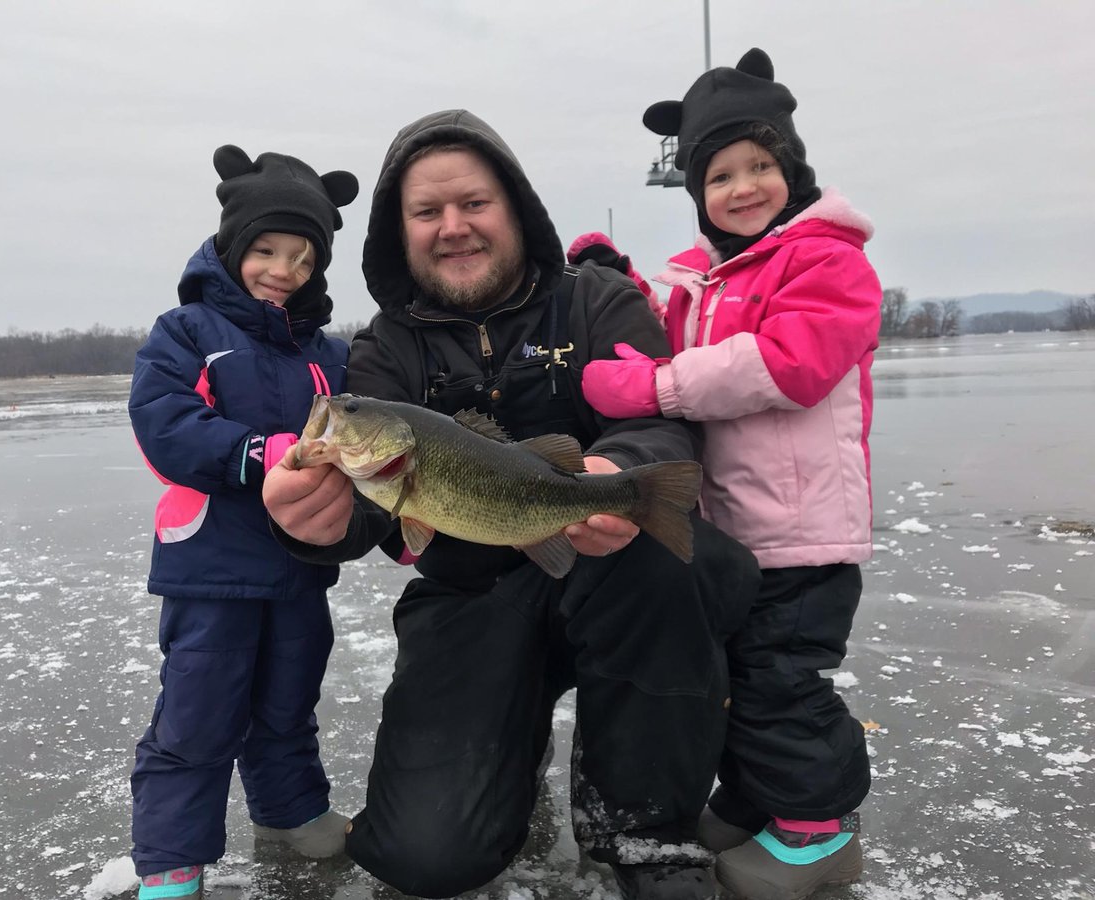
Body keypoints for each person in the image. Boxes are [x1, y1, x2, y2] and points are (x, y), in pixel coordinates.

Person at [261, 109, 760, 900]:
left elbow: (659, 427)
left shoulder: (598, 300)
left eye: (474, 204)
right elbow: (372, 508)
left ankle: (645, 831)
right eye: (427, 212)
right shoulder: (385, 349)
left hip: (611, 577)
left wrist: (618, 468)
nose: (452, 227)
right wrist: (315, 523)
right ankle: (508, 738)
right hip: (470, 596)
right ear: (401, 230)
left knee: (684, 565)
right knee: (425, 858)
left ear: (516, 207)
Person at [580, 48, 880, 900]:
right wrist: (613, 277)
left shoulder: (828, 259)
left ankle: (818, 832)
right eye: (719, 176)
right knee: (739, 677)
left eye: (760, 166)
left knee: (782, 683)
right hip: (738, 526)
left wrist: (649, 385)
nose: (742, 187)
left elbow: (787, 365)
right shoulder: (709, 278)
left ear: (792, 167)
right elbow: (677, 330)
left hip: (803, 531)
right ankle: (756, 798)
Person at [126, 144, 359, 900]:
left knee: (289, 699)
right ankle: (171, 859)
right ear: (232, 248)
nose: (283, 270)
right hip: (212, 568)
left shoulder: (326, 353)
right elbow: (167, 426)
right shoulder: (187, 331)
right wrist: (265, 453)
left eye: (302, 257)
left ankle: (292, 809)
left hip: (298, 568)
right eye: (266, 250)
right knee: (198, 712)